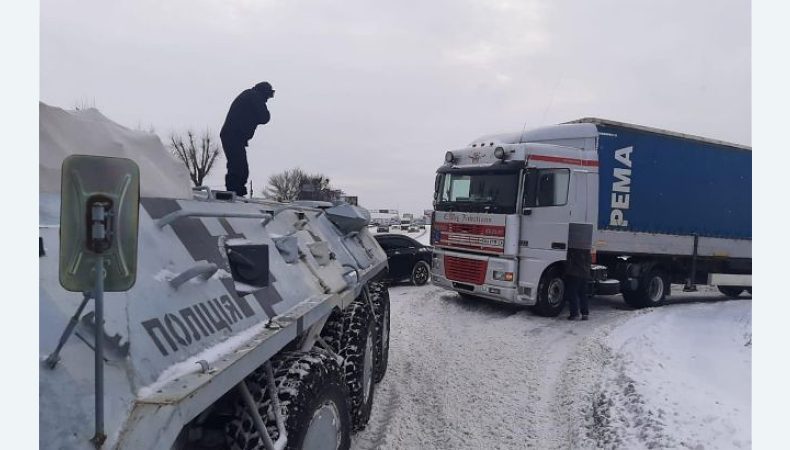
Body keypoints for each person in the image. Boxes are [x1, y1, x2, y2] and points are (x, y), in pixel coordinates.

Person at [220, 82, 275, 196]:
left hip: (235, 135)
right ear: (264, 92)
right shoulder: (254, 96)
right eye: (268, 96)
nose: (267, 100)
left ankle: (236, 191)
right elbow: (264, 116)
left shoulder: (250, 95)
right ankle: (234, 192)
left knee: (240, 167)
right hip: (233, 135)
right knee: (238, 166)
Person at [565, 247, 592, 320]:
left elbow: (570, 261)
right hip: (585, 274)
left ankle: (574, 314)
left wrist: (567, 271)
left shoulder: (573, 249)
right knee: (583, 294)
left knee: (572, 293)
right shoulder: (587, 250)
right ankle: (585, 314)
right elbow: (589, 261)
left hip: (575, 274)